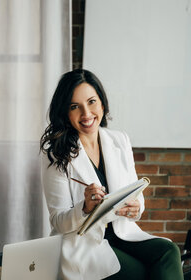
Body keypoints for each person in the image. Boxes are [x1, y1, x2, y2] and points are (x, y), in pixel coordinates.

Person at [40, 69, 183, 280]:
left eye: (91, 102)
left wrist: (136, 208)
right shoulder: (56, 154)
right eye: (74, 107)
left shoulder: (119, 140)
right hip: (84, 243)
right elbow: (58, 221)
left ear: (102, 103)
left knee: (169, 252)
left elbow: (136, 195)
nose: (86, 113)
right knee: (140, 273)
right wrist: (85, 208)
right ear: (65, 113)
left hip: (122, 233)